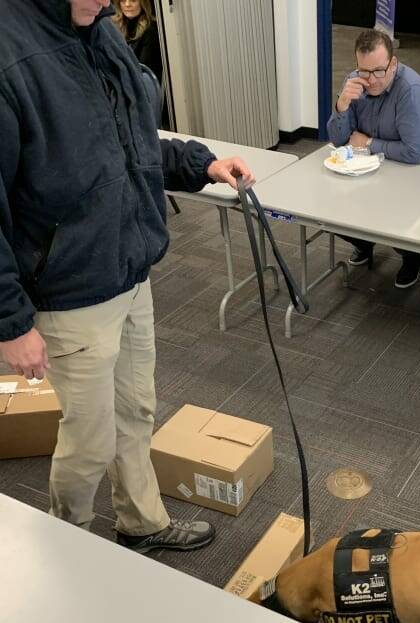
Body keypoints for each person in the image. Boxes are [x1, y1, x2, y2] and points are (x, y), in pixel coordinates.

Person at [0, 0, 254, 553]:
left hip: (129, 267)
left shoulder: (100, 31)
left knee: (137, 411)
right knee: (89, 443)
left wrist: (199, 163)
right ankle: (67, 549)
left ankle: (140, 522)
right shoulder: (10, 51)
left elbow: (131, 141)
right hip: (70, 290)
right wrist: (11, 322)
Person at [327, 29, 420, 290]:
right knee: (328, 209)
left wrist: (367, 142)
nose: (372, 80)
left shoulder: (410, 90)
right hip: (371, 168)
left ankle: (412, 256)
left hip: (417, 175)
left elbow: (414, 153)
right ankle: (363, 242)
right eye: (364, 71)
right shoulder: (355, 82)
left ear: (393, 63)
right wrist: (342, 104)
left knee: (395, 214)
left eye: (379, 71)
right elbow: (337, 139)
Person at [113, 0, 162, 84]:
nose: (127, 4)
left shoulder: (151, 30)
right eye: (123, 1)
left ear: (142, 3)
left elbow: (144, 70)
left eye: (133, 0)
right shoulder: (116, 27)